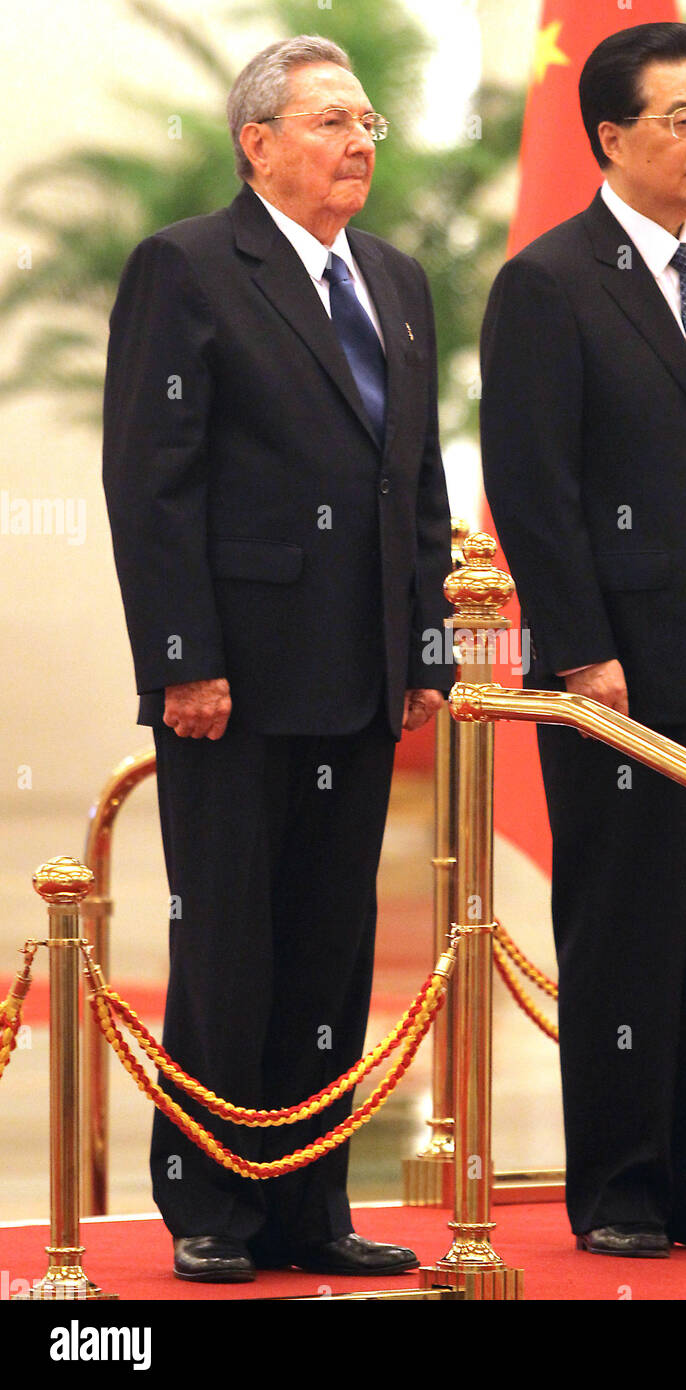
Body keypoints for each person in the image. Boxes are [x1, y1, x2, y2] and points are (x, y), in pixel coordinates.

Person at [102, 34, 453, 1282]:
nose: (360, 143)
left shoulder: (397, 282)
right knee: (231, 944)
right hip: (234, 686)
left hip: (357, 680)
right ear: (258, 144)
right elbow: (153, 485)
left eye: (367, 123)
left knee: (330, 948)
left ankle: (311, 1209)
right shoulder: (189, 268)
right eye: (329, 123)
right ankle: (210, 1207)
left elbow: (415, 483)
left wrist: (426, 649)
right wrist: (185, 658)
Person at [480, 22, 686, 1258]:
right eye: (681, 118)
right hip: (617, 675)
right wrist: (577, 651)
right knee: (623, 933)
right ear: (610, 136)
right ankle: (617, 1186)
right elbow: (532, 482)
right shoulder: (551, 281)